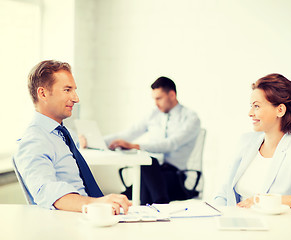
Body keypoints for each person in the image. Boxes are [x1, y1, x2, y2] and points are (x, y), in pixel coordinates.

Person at [14, 60, 131, 214]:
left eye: (74, 90)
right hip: (72, 221)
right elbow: (47, 190)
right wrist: (97, 203)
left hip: (87, 215)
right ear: (43, 93)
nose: (76, 98)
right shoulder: (34, 140)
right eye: (67, 90)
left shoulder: (62, 134)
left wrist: (79, 142)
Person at [213, 73, 291, 210]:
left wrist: (275, 201)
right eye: (251, 106)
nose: (250, 113)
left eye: (256, 106)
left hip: (274, 227)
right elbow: (223, 192)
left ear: (280, 110)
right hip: (236, 223)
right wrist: (218, 215)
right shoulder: (245, 142)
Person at [104, 76, 201, 205]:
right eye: (154, 99)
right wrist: (93, 141)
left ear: (172, 95)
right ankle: (160, 204)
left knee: (147, 164)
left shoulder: (191, 118)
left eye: (159, 98)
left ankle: (151, 207)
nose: (155, 103)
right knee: (148, 164)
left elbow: (170, 144)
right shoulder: (153, 114)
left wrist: (135, 146)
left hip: (175, 176)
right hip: (151, 174)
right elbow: (129, 133)